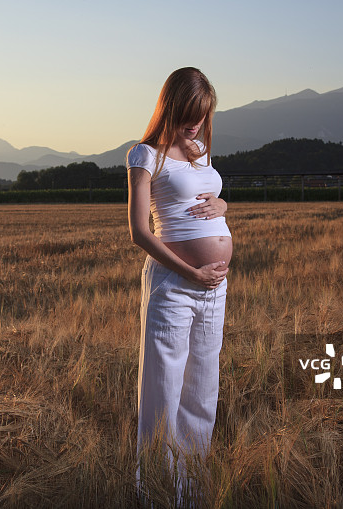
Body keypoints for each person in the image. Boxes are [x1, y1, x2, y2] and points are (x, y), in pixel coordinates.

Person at [126, 67, 232, 499]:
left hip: (215, 290)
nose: (195, 123)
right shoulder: (146, 154)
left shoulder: (201, 149)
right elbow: (139, 232)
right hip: (175, 287)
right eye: (189, 113)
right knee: (163, 393)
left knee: (202, 393)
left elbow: (210, 198)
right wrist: (192, 271)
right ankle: (155, 491)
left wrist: (224, 202)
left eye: (203, 115)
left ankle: (189, 491)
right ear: (172, 106)